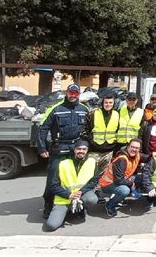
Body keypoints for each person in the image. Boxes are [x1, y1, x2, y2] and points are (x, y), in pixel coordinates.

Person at [37, 84, 89, 219]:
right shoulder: (55, 109)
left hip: (76, 149)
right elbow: (42, 128)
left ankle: (75, 205)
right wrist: (42, 148)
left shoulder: (84, 109)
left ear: (79, 94)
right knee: (53, 178)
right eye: (71, 92)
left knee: (76, 178)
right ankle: (48, 204)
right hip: (59, 148)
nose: (73, 95)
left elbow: (89, 130)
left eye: (76, 93)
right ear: (66, 93)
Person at [46, 140, 99, 231]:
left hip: (81, 194)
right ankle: (68, 210)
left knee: (92, 199)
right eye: (78, 149)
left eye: (84, 149)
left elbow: (94, 181)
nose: (81, 151)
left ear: (87, 151)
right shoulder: (63, 163)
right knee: (51, 225)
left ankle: (81, 208)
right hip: (65, 197)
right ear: (74, 150)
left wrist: (81, 192)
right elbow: (53, 185)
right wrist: (68, 195)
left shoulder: (92, 162)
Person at [98, 138, 150, 217]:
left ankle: (120, 198)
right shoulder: (122, 159)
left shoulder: (137, 155)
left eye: (137, 148)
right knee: (124, 190)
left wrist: (155, 154)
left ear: (139, 149)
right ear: (128, 147)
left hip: (122, 180)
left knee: (141, 178)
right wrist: (131, 184)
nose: (134, 149)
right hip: (107, 184)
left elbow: (148, 157)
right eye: (132, 147)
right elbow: (118, 180)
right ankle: (110, 205)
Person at [81, 94, 119, 171]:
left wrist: (114, 143)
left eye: (110, 103)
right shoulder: (94, 113)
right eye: (106, 102)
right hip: (94, 151)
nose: (108, 104)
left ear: (113, 104)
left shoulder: (117, 114)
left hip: (109, 151)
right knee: (90, 173)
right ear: (102, 103)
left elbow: (118, 130)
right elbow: (85, 129)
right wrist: (91, 141)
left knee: (104, 175)